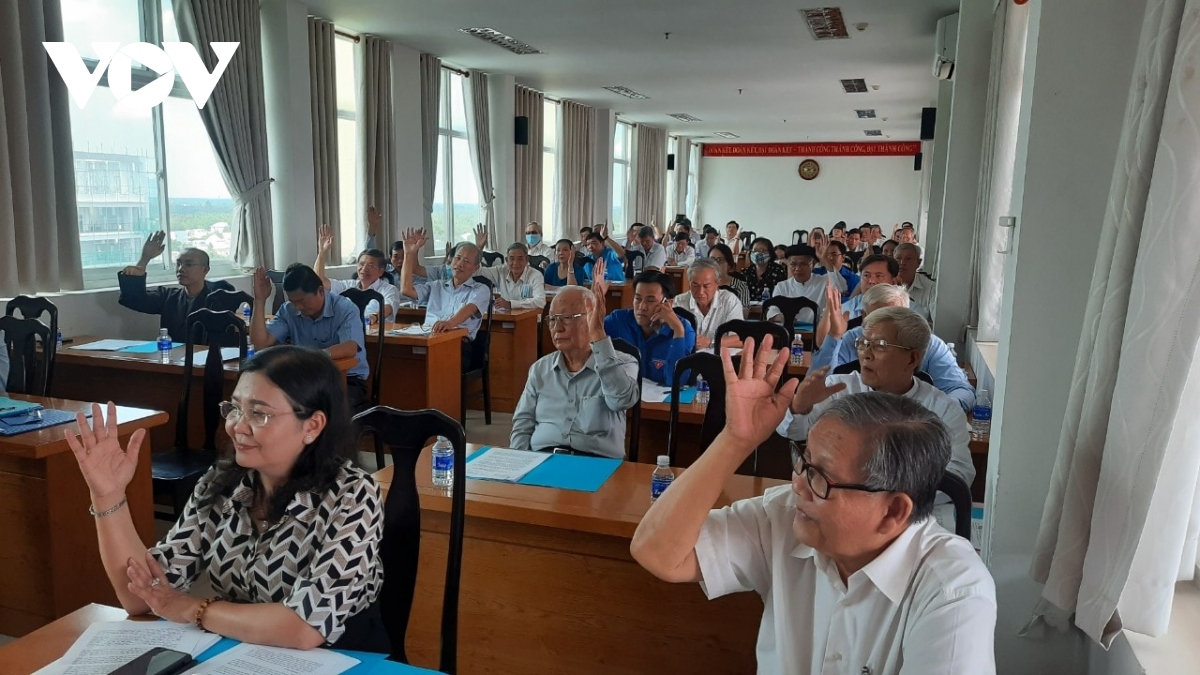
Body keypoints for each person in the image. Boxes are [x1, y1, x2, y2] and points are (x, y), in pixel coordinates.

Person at [631, 337, 997, 673]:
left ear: (894, 511)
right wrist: (735, 440)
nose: (799, 485)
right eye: (803, 462)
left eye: (821, 477)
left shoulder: (952, 590)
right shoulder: (786, 515)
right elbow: (657, 553)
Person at [65, 346, 387, 651]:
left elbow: (304, 627)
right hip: (241, 653)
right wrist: (108, 496)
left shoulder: (353, 495)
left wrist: (194, 608)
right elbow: (142, 595)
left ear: (312, 425)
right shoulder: (222, 482)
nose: (237, 426)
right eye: (234, 408)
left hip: (339, 659)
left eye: (259, 414)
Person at [779, 307, 975, 488]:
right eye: (863, 343)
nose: (866, 354)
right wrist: (799, 406)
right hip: (834, 499)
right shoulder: (837, 388)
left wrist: (888, 495)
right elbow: (791, 432)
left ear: (912, 358)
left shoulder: (942, 409)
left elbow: (959, 475)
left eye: (880, 345)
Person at [511, 285, 639, 459]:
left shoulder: (624, 362)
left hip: (596, 464)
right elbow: (522, 424)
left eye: (566, 318)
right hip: (543, 459)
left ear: (592, 319)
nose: (557, 328)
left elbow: (621, 401)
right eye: (553, 319)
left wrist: (599, 335)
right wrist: (519, 463)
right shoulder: (540, 369)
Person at [813, 284, 975, 412]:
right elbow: (819, 387)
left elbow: (961, 390)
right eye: (876, 317)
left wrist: (937, 409)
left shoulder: (930, 344)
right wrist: (834, 337)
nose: (884, 326)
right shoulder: (851, 339)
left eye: (894, 317)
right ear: (863, 316)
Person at [250, 265, 369, 408]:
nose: (298, 307)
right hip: (306, 380)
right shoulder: (288, 310)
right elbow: (260, 344)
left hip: (345, 380)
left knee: (318, 407)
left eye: (302, 301)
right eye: (294, 302)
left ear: (320, 291)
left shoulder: (345, 309)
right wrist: (259, 300)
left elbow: (350, 347)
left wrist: (311, 358)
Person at [117, 232, 235, 343]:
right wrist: (144, 259)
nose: (180, 269)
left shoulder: (217, 295)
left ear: (205, 269)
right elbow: (134, 299)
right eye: (178, 264)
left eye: (188, 264)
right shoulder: (169, 297)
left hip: (211, 359)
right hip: (175, 358)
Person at [398, 232, 492, 364]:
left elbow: (470, 308)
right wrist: (409, 254)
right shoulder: (437, 285)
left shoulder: (481, 289)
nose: (459, 264)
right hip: (429, 338)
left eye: (466, 261)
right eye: (457, 258)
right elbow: (406, 290)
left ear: (475, 268)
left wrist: (449, 323)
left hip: (458, 345)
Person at [603, 268, 696, 386]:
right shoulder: (618, 320)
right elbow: (589, 341)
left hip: (661, 403)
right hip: (625, 399)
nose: (642, 306)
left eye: (650, 300)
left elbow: (676, 381)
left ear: (668, 303)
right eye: (638, 299)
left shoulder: (684, 331)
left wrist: (678, 331)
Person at [313, 225, 401, 325]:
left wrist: (374, 316)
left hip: (374, 336)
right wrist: (322, 253)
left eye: (371, 266)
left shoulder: (389, 289)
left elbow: (388, 308)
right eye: (361, 264)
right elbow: (319, 281)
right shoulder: (348, 286)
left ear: (381, 271)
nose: (364, 269)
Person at [672, 258, 744, 350]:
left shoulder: (729, 301)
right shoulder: (679, 302)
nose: (700, 292)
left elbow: (739, 339)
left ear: (717, 283)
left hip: (720, 361)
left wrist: (710, 342)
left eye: (706, 286)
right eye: (695, 285)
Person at [476, 242, 547, 310]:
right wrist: (479, 249)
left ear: (526, 260)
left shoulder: (535, 275)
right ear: (507, 260)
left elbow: (540, 302)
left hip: (529, 321)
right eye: (512, 259)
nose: (515, 263)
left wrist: (510, 304)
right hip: (506, 319)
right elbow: (477, 271)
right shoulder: (500, 271)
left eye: (520, 259)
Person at [766, 245, 824, 326]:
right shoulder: (782, 286)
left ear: (813, 264)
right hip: (789, 332)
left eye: (803, 264)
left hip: (817, 333)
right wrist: (782, 317)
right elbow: (772, 311)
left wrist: (823, 259)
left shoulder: (824, 282)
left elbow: (842, 287)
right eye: (793, 264)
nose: (797, 268)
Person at [735, 236, 787, 302]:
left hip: (771, 309)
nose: (758, 253)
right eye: (755, 250)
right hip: (748, 309)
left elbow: (783, 294)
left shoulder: (778, 270)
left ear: (770, 253)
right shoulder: (745, 272)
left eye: (762, 250)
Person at [894, 243, 935, 312]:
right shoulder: (885, 283)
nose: (902, 262)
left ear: (918, 263)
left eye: (908, 259)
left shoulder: (931, 288)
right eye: (898, 258)